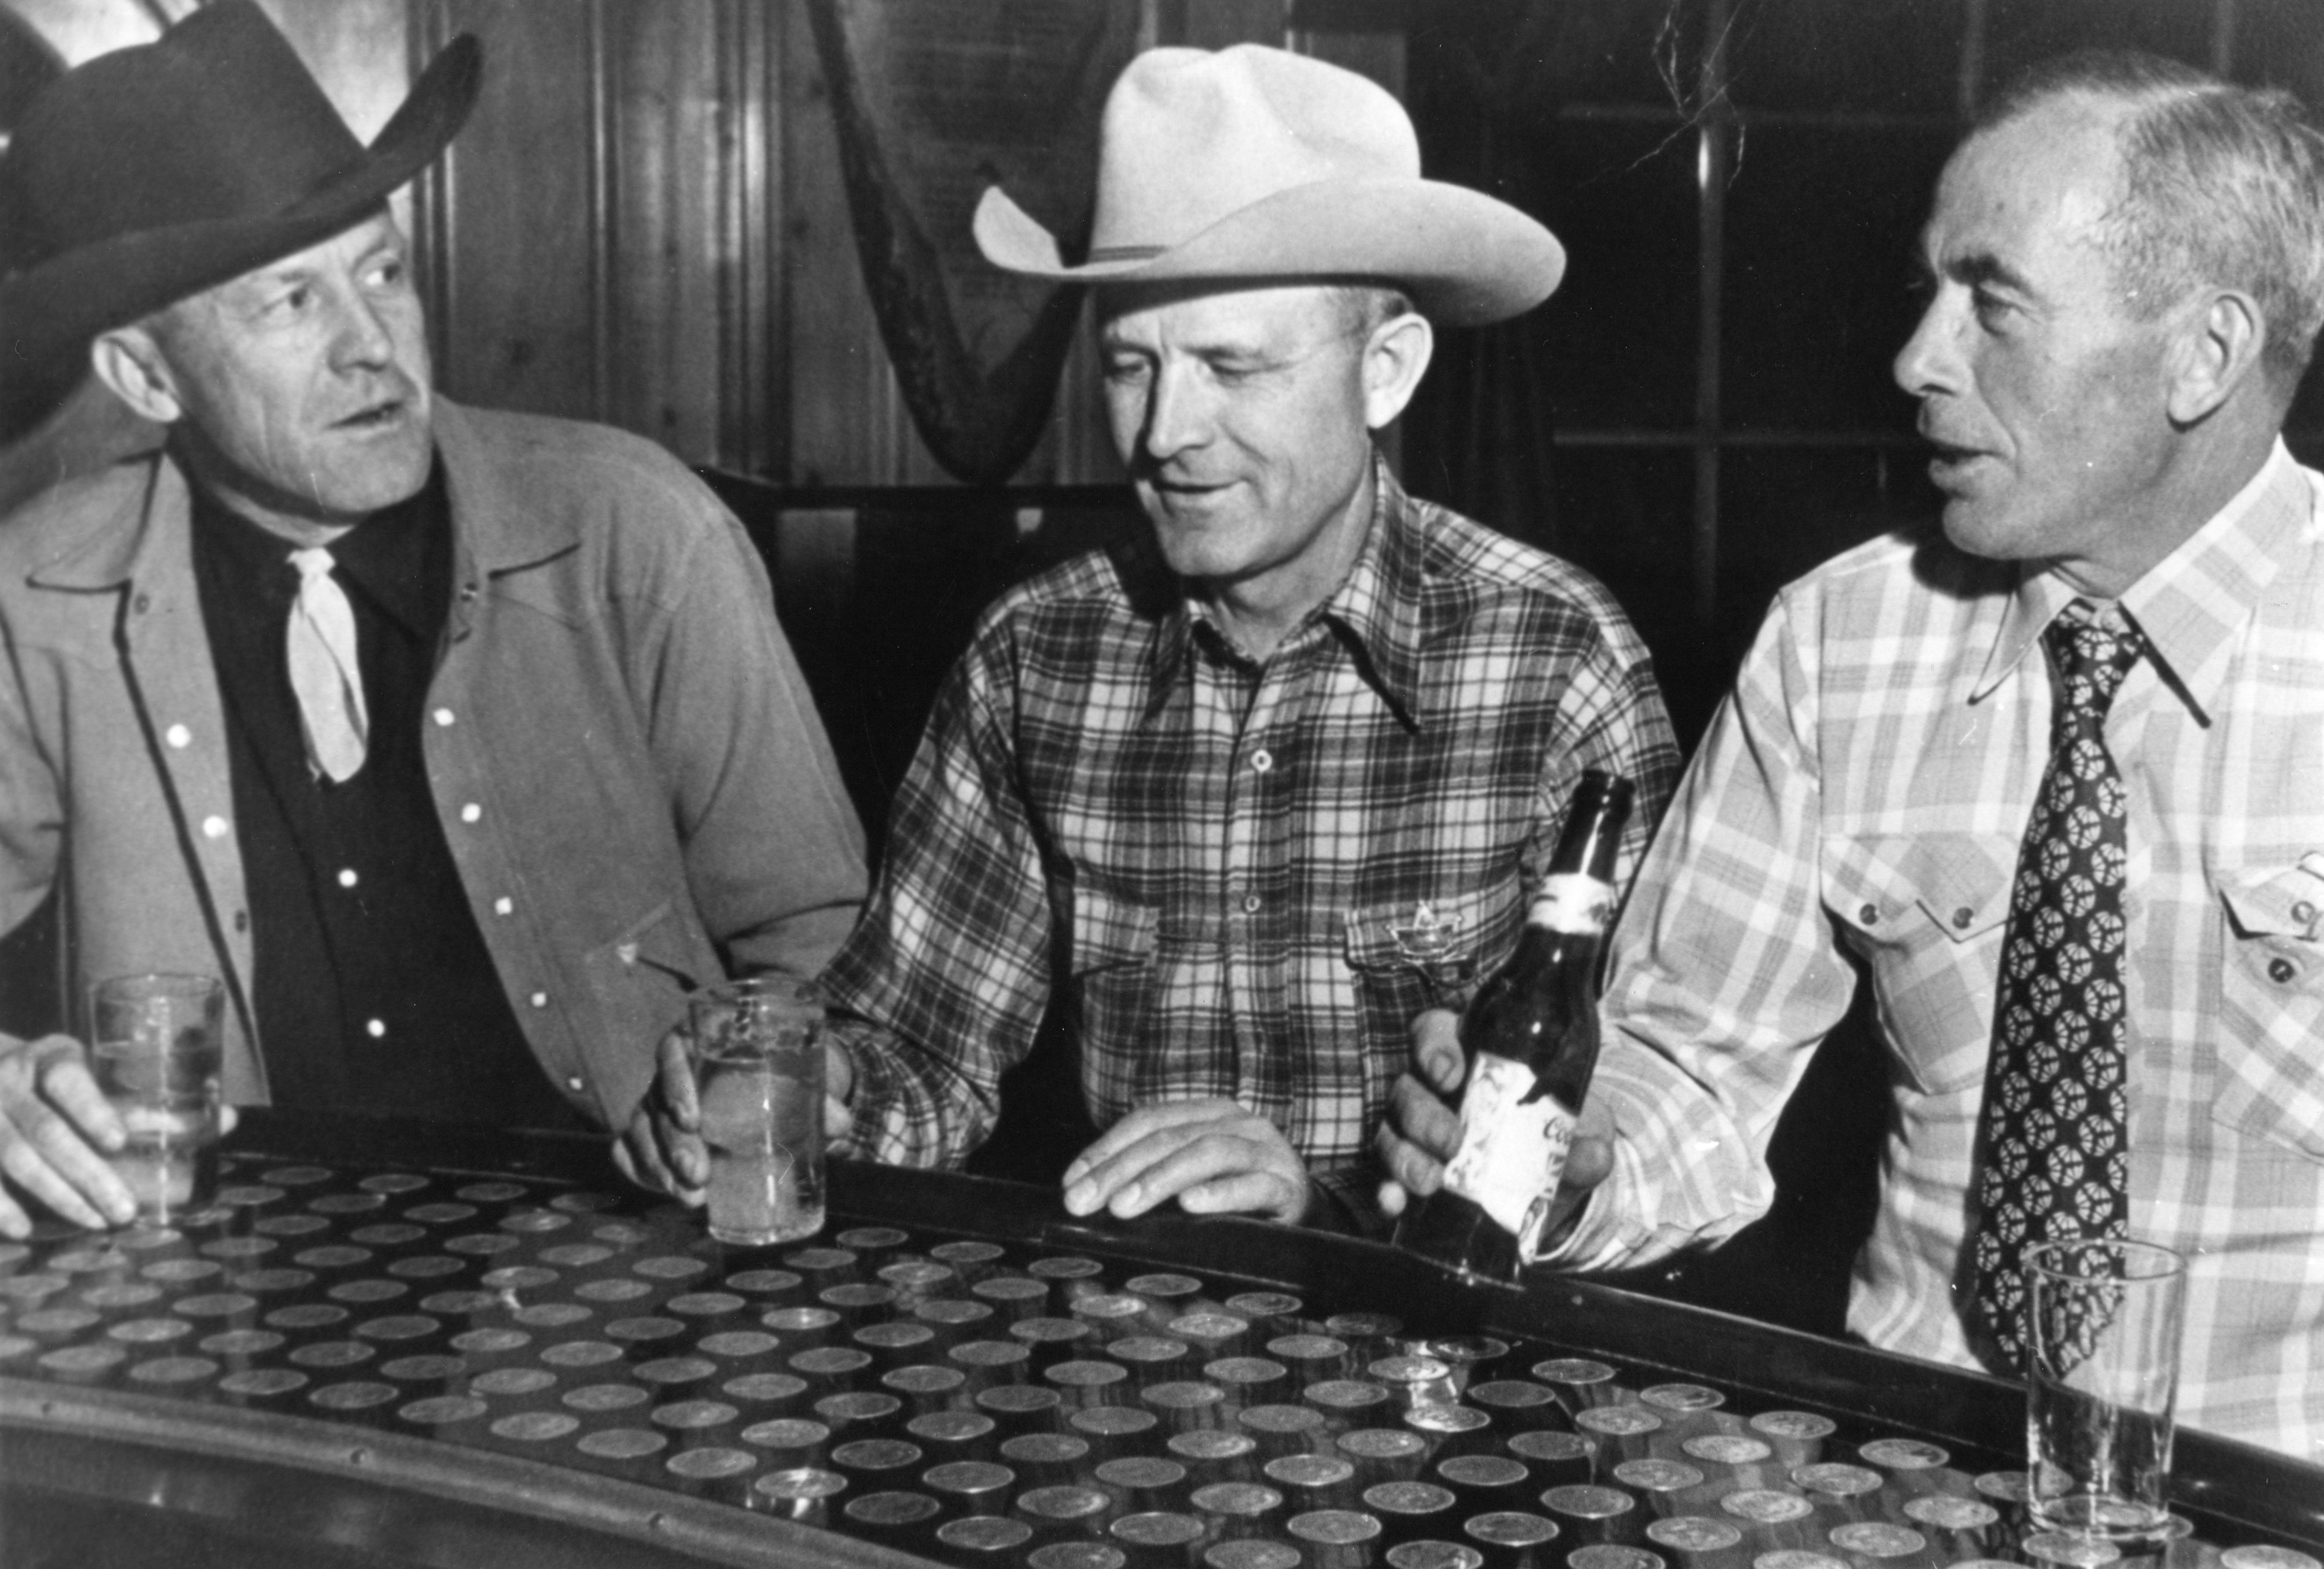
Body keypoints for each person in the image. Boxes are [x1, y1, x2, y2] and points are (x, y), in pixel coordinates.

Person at [1382, 51, 2324, 1459]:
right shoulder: (1838, 642)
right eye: (1928, 293)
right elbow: (1685, 1070)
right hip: (1914, 1495)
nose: (1917, 362)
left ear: (2207, 352)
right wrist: (1571, 1164)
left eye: (1991, 302)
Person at [776, 44, 1679, 1234]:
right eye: (1129, 367)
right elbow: (918, 1050)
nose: (1163, 433)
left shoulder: (1558, 664)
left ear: (1387, 370)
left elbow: (1621, 1143)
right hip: (1122, 1366)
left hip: (1440, 1371)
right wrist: (822, 1095)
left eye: (1232, 367)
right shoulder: (1030, 661)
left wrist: (1324, 1215)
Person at [0, 2, 868, 1238]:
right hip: (232, 1291)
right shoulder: (35, 597)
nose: (376, 349)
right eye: (290, 303)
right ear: (145, 377)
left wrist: (753, 1084)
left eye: (384, 271)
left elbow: (830, 950)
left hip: (623, 1299)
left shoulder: (635, 534)